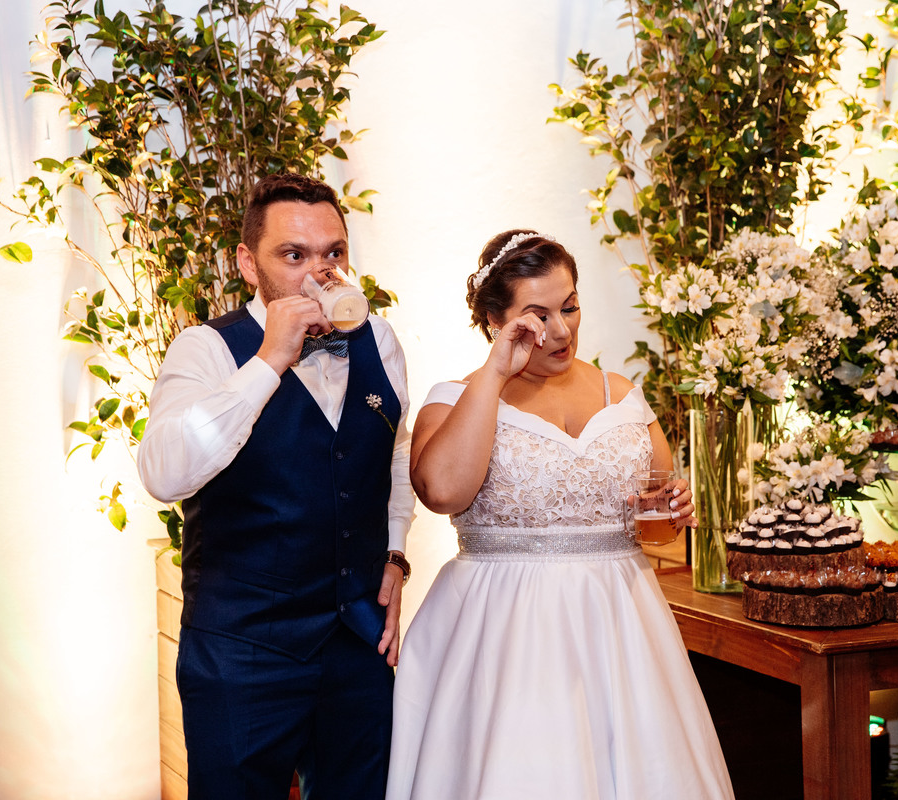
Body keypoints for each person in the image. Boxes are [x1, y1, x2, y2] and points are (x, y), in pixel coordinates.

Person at [386, 230, 734, 799]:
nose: (563, 330)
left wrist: (672, 506)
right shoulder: (454, 398)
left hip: (621, 624)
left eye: (570, 307)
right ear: (496, 320)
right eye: (538, 316)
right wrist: (496, 373)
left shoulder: (622, 395)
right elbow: (442, 491)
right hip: (504, 630)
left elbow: (659, 512)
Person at [137, 172, 413, 799]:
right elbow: (163, 473)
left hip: (357, 643)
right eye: (294, 255)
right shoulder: (205, 350)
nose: (320, 273)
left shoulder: (380, 340)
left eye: (334, 253)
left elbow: (394, 450)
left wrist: (396, 553)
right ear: (247, 264)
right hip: (242, 651)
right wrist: (268, 362)